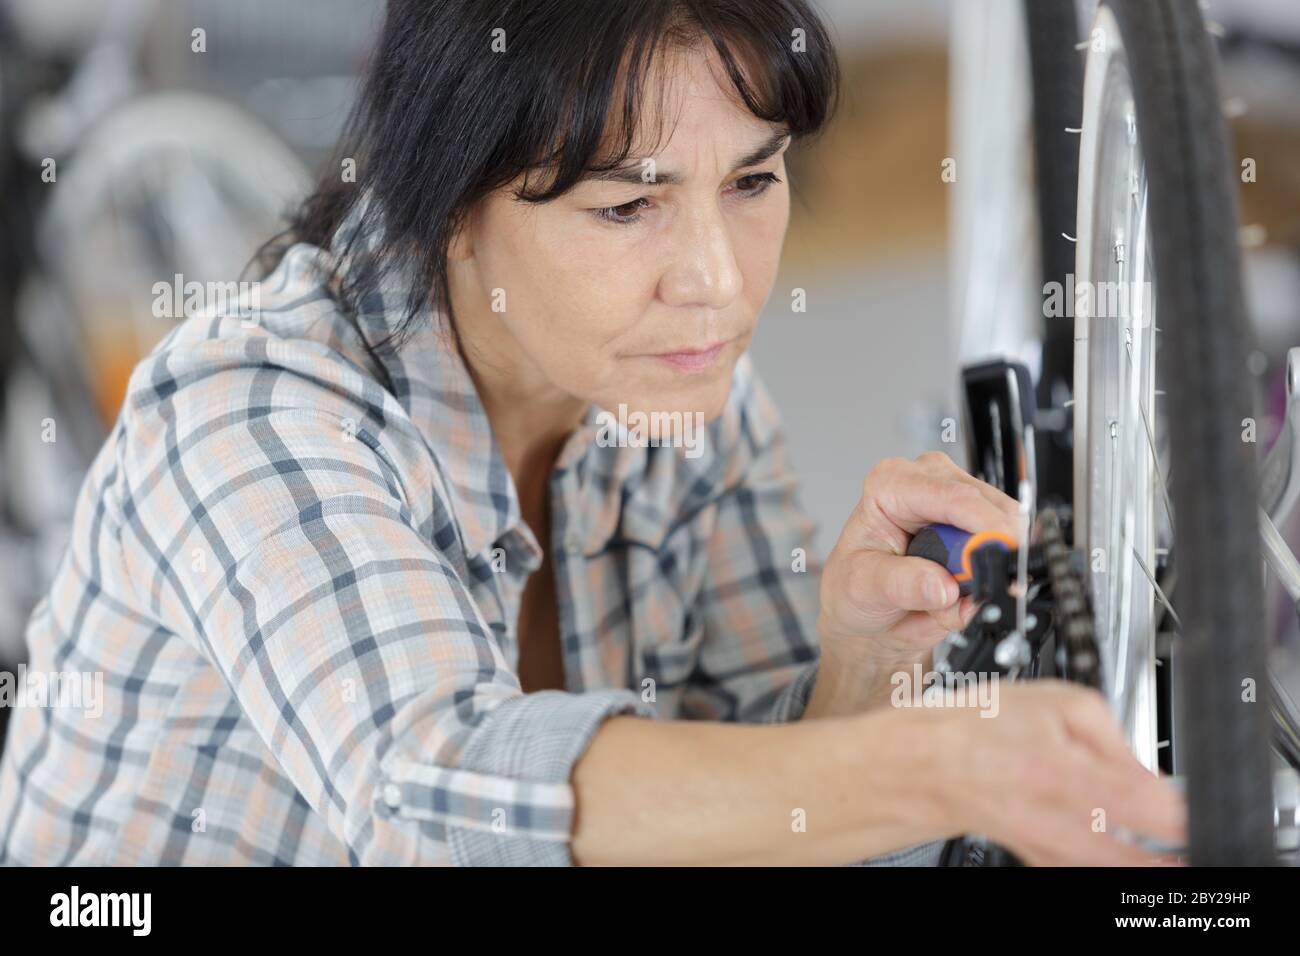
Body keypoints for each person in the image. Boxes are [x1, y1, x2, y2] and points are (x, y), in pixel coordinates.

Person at [0, 0, 1184, 866]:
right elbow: (441, 801)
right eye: (628, 206)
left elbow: (764, 815)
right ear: (446, 205)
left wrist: (861, 663)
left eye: (753, 182)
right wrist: (936, 762)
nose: (717, 283)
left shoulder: (672, 390)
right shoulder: (251, 417)